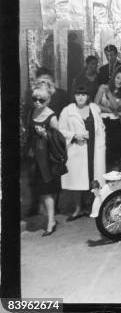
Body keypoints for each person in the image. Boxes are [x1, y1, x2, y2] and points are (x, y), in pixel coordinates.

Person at [59, 86, 106, 220]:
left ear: (88, 97)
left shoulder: (94, 108)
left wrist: (102, 143)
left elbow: (101, 127)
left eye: (84, 95)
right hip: (77, 149)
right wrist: (74, 136)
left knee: (94, 177)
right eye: (78, 94)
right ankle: (78, 208)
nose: (81, 97)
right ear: (74, 96)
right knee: (78, 180)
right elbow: (60, 130)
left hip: (94, 148)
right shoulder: (68, 111)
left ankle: (94, 206)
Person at [25, 84, 62, 234]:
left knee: (47, 191)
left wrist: (46, 134)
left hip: (45, 159)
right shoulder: (31, 112)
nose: (37, 102)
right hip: (33, 156)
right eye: (35, 99)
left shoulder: (51, 116)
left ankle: (51, 221)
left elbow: (59, 139)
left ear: (48, 100)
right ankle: (48, 217)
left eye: (42, 100)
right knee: (38, 189)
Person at [95, 68, 121, 169]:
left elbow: (117, 106)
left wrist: (109, 93)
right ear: (113, 77)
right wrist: (111, 111)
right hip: (102, 122)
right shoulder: (102, 87)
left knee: (115, 154)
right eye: (117, 78)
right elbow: (95, 105)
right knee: (102, 151)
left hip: (115, 124)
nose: (119, 81)